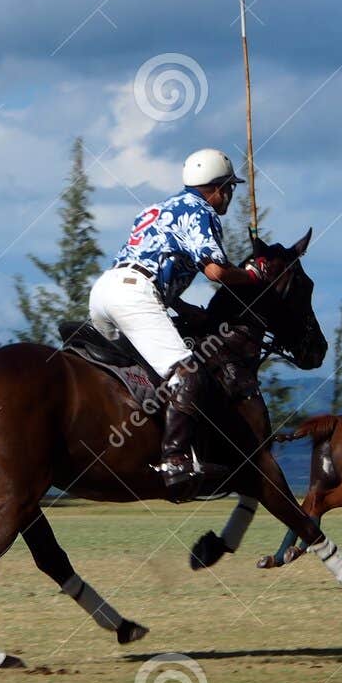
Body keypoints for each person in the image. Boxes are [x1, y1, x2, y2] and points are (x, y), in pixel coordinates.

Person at [88, 148, 269, 502]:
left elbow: (151, 261)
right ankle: (175, 459)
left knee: (137, 378)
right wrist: (251, 274)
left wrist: (184, 308)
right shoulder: (201, 211)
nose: (230, 195)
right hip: (135, 296)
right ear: (215, 188)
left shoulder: (155, 209)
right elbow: (215, 272)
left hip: (104, 292)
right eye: (228, 188)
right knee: (186, 373)